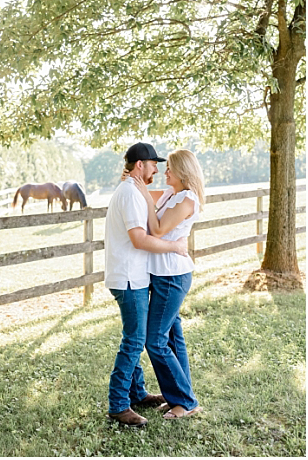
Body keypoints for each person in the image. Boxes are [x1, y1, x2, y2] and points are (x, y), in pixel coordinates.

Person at [104, 142, 189, 428]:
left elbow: (162, 201)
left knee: (135, 336)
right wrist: (174, 247)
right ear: (140, 164)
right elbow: (139, 239)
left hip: (134, 276)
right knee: (135, 341)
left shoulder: (132, 190)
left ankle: (137, 393)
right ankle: (118, 405)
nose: (157, 168)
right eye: (154, 163)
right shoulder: (129, 193)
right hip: (129, 278)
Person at [129, 149, 203, 420]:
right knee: (172, 337)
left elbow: (158, 229)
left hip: (173, 276)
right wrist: (133, 181)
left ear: (184, 171)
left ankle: (185, 401)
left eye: (170, 167)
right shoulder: (172, 194)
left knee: (155, 340)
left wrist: (147, 199)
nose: (165, 171)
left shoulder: (187, 199)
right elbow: (143, 200)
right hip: (162, 274)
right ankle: (179, 399)